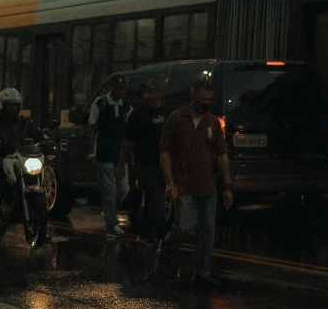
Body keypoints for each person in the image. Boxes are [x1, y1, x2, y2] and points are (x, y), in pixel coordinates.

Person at [156, 78, 234, 289]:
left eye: (209, 99)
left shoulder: (213, 122)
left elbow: (221, 154)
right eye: (202, 99)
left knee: (207, 231)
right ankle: (167, 246)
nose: (205, 102)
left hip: (207, 185)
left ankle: (202, 274)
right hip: (183, 185)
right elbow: (165, 152)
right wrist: (169, 182)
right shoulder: (176, 119)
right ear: (192, 98)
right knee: (186, 226)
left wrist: (227, 186)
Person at [0, 88, 42, 206]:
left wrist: (46, 139)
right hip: (1, 155)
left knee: (37, 169)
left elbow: (37, 132)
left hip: (22, 156)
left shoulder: (25, 122)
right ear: (2, 105)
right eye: (9, 105)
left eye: (15, 105)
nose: (12, 108)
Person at [119, 82, 166, 244]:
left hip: (165, 163)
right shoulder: (138, 115)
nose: (147, 96)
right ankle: (160, 236)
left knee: (153, 199)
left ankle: (145, 231)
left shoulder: (167, 113)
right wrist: (122, 164)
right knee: (156, 198)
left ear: (159, 93)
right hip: (146, 164)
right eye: (145, 93)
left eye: (150, 92)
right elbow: (127, 140)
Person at [88, 76, 132, 237]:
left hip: (119, 153)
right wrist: (92, 150)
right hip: (104, 153)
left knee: (123, 188)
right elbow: (92, 126)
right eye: (117, 88)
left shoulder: (126, 106)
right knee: (110, 190)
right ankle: (111, 225)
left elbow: (128, 129)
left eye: (122, 89)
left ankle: (110, 211)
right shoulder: (101, 103)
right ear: (111, 89)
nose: (120, 92)